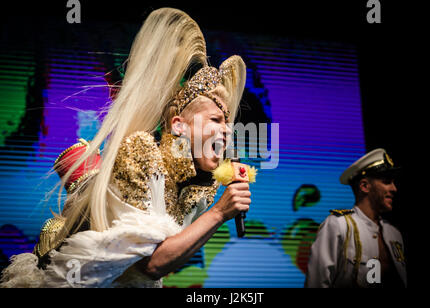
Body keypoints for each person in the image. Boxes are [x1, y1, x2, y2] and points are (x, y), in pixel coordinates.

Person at [0, 7, 250, 288]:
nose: (228, 129)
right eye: (216, 119)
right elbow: (153, 264)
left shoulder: (196, 189)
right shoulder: (141, 153)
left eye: (228, 122)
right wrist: (219, 213)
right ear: (179, 125)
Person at [305, 148, 407, 288]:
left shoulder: (394, 234)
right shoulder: (338, 225)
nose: (394, 188)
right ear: (364, 186)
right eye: (386, 181)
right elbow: (316, 283)